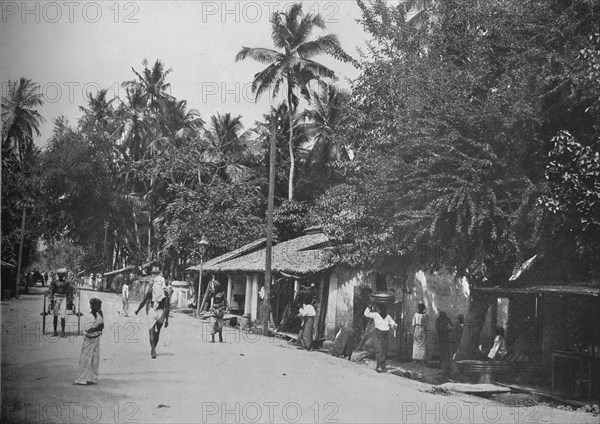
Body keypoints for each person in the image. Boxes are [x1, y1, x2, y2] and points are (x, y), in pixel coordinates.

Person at [135, 267, 172, 358]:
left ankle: (153, 350)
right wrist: (167, 320)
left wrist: (137, 310)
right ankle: (153, 349)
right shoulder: (165, 294)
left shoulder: (150, 292)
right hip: (161, 313)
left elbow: (143, 302)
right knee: (157, 332)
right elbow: (167, 307)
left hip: (152, 312)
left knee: (151, 332)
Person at [74, 298, 104, 385]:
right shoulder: (91, 316)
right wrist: (95, 328)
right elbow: (97, 327)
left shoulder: (98, 314)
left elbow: (101, 326)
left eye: (99, 306)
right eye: (96, 306)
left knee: (93, 359)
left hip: (94, 337)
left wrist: (94, 328)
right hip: (91, 338)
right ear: (91, 306)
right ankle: (83, 379)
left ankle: (90, 378)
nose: (98, 307)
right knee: (87, 359)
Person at [364, 304, 397, 372]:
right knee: (379, 349)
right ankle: (379, 365)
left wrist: (394, 326)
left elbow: (393, 323)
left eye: (384, 309)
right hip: (378, 333)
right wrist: (369, 307)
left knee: (384, 349)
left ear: (386, 310)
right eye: (382, 309)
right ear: (380, 309)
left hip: (385, 333)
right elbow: (366, 314)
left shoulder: (388, 317)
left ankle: (382, 364)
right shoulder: (376, 315)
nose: (383, 310)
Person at [48, 268, 73, 337]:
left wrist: (69, 300)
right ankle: (55, 332)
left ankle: (62, 332)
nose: (61, 276)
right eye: (60, 275)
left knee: (63, 315)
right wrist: (51, 300)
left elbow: (69, 292)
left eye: (62, 275)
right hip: (56, 298)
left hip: (64, 298)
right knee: (55, 315)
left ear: (64, 275)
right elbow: (51, 291)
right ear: (58, 275)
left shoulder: (67, 283)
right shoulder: (54, 282)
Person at [435, 311, 453, 378]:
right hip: (445, 337)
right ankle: (445, 366)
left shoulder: (438, 319)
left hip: (441, 337)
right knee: (445, 352)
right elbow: (452, 326)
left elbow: (436, 328)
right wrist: (449, 331)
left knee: (442, 352)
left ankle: (443, 366)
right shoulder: (446, 319)